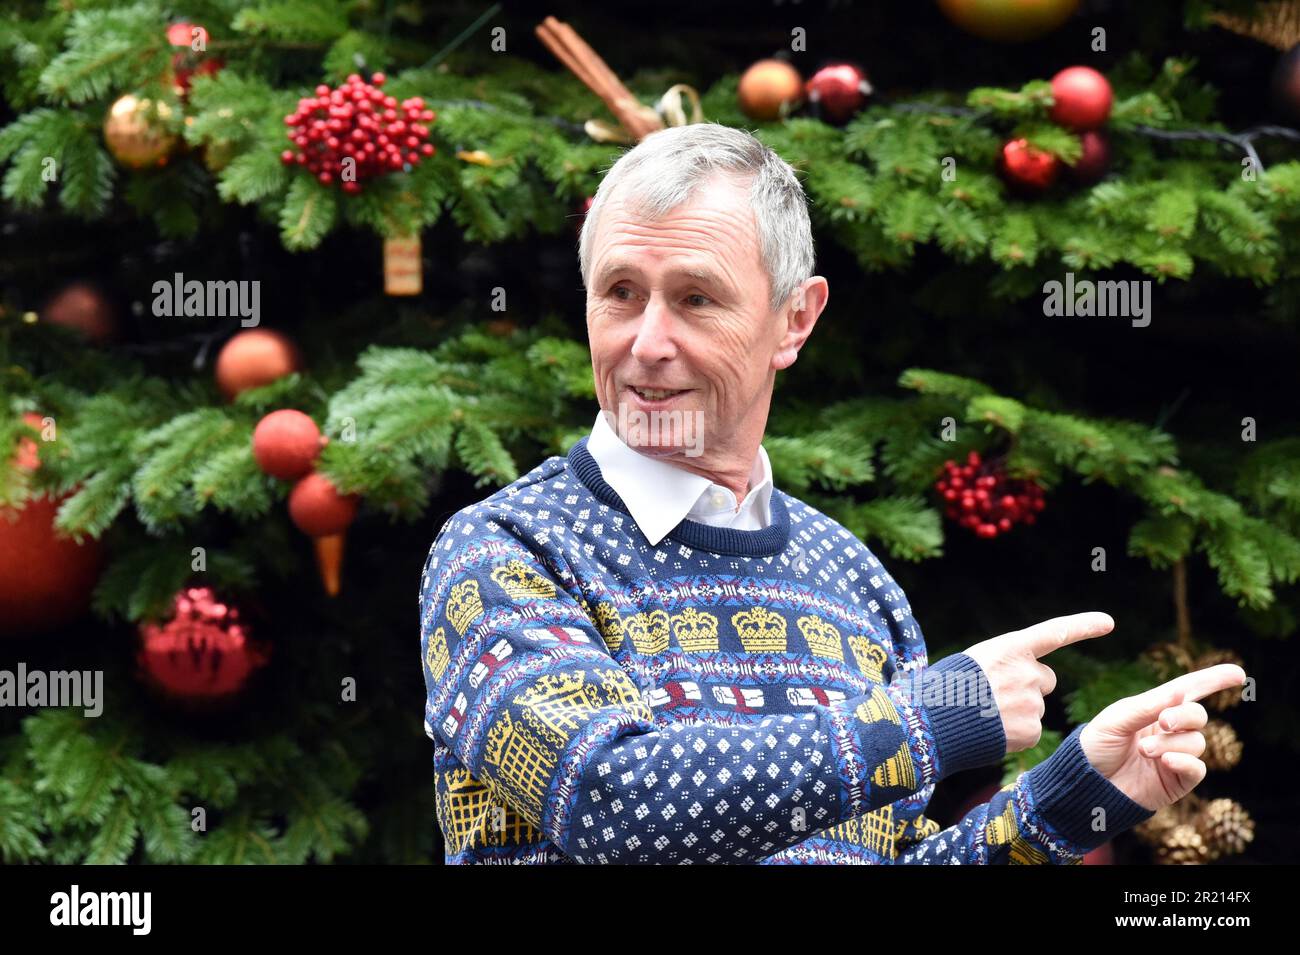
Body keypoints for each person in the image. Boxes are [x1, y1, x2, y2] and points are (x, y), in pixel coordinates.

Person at [418, 122, 1246, 864]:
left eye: (696, 298)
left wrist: (1072, 797)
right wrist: (932, 714)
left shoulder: (854, 580)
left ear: (794, 321)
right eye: (621, 292)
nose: (647, 342)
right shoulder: (507, 549)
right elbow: (612, 801)